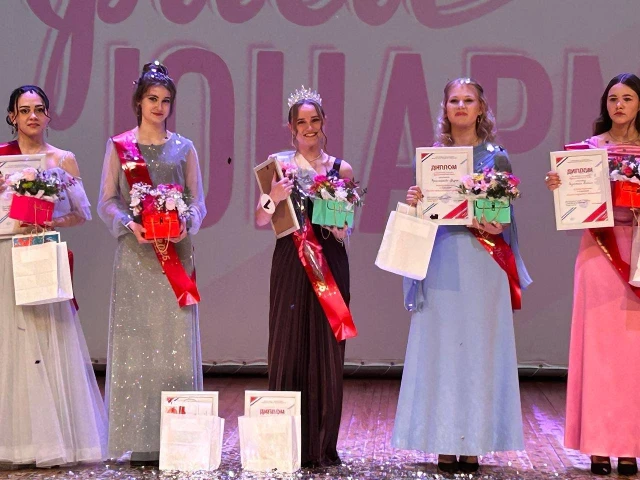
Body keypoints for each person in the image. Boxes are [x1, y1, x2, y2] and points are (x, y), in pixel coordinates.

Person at [392, 77, 531, 473]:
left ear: (481, 108)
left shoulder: (497, 157)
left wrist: (492, 223)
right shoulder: (431, 158)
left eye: (469, 100)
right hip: (441, 258)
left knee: (479, 350)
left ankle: (475, 443)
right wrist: (415, 201)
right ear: (446, 108)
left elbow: (503, 218)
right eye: (454, 100)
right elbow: (425, 216)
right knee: (442, 349)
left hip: (482, 261)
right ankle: (443, 440)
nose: (461, 106)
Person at [98, 62, 206, 466]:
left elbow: (198, 201)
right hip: (136, 258)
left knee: (175, 344)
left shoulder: (185, 147)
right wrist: (130, 224)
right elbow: (107, 201)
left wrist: (186, 223)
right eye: (152, 99)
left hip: (176, 256)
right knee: (137, 346)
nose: (159, 107)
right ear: (138, 102)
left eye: (166, 100)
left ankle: (180, 440)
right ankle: (138, 439)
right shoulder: (119, 147)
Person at [0, 85, 107, 466]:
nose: (32, 116)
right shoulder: (1, 159)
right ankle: (13, 442)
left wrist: (51, 221)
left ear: (48, 115)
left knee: (49, 340)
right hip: (6, 254)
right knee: (11, 341)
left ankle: (55, 440)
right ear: (12, 117)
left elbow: (82, 213)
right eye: (24, 110)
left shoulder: (62, 159)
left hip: (43, 252)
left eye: (39, 109)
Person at [255, 86, 357, 468]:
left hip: (330, 262)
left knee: (327, 351)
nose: (309, 127)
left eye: (315, 120)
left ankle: (321, 446)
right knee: (288, 346)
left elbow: (345, 227)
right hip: (290, 263)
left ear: (324, 122)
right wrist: (275, 195)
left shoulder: (340, 169)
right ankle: (284, 443)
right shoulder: (278, 166)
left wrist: (339, 223)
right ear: (291, 127)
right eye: (302, 122)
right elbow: (261, 218)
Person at [545, 73, 640, 476]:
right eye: (613, 98)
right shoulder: (586, 152)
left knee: (633, 355)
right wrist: (560, 185)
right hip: (599, 251)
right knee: (599, 351)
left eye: (628, 98)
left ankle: (629, 447)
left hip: (638, 251)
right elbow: (575, 200)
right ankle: (599, 445)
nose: (619, 105)